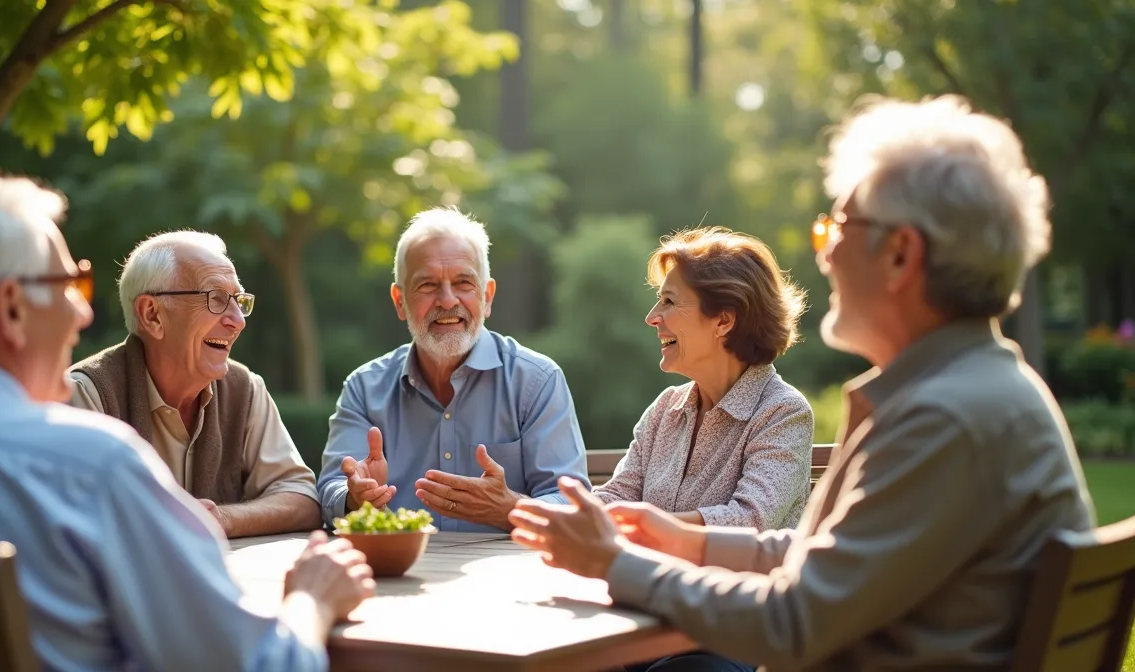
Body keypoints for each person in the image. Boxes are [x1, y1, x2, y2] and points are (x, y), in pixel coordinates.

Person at [507, 95, 1096, 671]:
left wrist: (616, 564)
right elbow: (826, 560)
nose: (825, 254)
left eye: (837, 226)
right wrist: (687, 542)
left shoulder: (946, 418)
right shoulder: (972, 390)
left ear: (901, 254)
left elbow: (792, 624)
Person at [0, 171, 374, 671]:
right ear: (12, 308)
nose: (83, 312)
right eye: (68, 284)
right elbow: (262, 667)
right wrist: (312, 600)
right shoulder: (91, 466)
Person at [317, 207, 590, 532]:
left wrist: (509, 508)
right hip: (399, 577)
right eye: (428, 285)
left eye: (463, 283)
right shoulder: (364, 388)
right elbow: (332, 488)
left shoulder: (537, 381)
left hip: (512, 578)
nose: (447, 301)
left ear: (487, 296)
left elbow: (572, 505)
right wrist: (355, 498)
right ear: (399, 302)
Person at [70, 231, 322, 538]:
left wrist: (223, 519)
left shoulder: (245, 389)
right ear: (152, 315)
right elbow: (75, 523)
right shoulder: (86, 394)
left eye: (238, 301)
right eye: (215, 299)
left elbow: (302, 499)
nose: (237, 321)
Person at [594, 226, 813, 532]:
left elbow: (751, 520)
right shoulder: (666, 408)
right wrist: (560, 511)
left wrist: (644, 524)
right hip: (653, 578)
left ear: (723, 320)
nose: (652, 317)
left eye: (669, 301)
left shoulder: (783, 412)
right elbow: (617, 496)